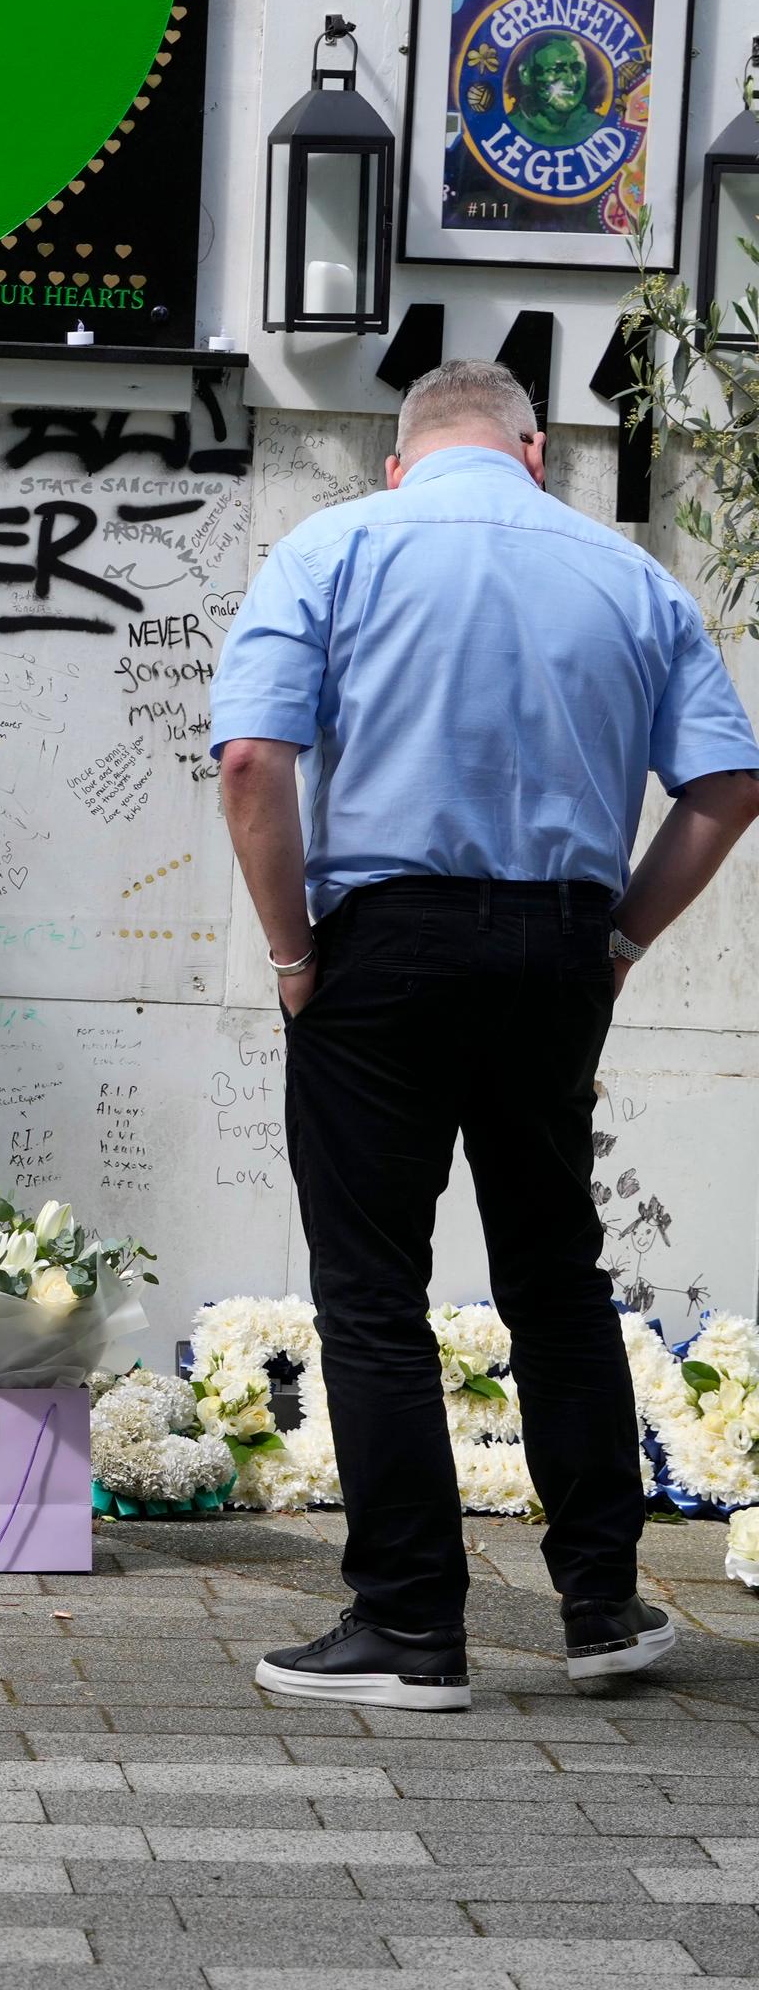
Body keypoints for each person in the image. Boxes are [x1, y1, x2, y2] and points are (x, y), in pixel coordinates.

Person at [211, 358, 759, 1711]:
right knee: (556, 1274)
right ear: (533, 451)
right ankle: (603, 1606)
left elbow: (250, 763)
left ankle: (409, 1631)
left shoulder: (332, 546)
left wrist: (293, 955)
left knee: (374, 1289)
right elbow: (729, 785)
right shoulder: (631, 576)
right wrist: (621, 942)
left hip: (384, 947)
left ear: (402, 460)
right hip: (560, 944)